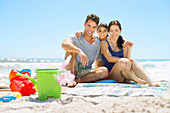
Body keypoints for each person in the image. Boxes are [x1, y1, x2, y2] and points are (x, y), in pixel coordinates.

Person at [101, 20, 160, 87]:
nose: (113, 33)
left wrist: (129, 49)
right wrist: (123, 60)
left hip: (124, 74)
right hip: (113, 75)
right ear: (108, 31)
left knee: (132, 60)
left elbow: (127, 61)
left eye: (116, 30)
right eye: (111, 30)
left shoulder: (123, 43)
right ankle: (138, 80)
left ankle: (150, 80)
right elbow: (109, 59)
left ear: (120, 31)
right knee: (123, 61)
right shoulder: (104, 43)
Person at [62, 14, 108, 86]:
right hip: (71, 69)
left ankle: (76, 81)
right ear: (84, 24)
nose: (90, 29)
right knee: (71, 49)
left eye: (94, 27)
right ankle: (70, 79)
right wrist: (79, 51)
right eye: (89, 25)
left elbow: (99, 62)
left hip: (85, 73)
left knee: (104, 71)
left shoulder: (98, 43)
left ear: (96, 28)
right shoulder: (75, 37)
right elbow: (64, 44)